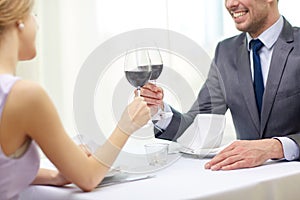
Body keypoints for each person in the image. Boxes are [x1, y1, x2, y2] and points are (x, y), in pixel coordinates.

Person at [0, 0, 150, 199]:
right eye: (32, 16)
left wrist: (55, 176)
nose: (36, 24)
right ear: (18, 21)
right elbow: (88, 178)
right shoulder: (24, 96)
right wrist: (126, 125)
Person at [141, 0, 300, 171]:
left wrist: (275, 147)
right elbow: (198, 124)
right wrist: (159, 110)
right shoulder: (225, 51)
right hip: (248, 184)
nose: (231, 4)